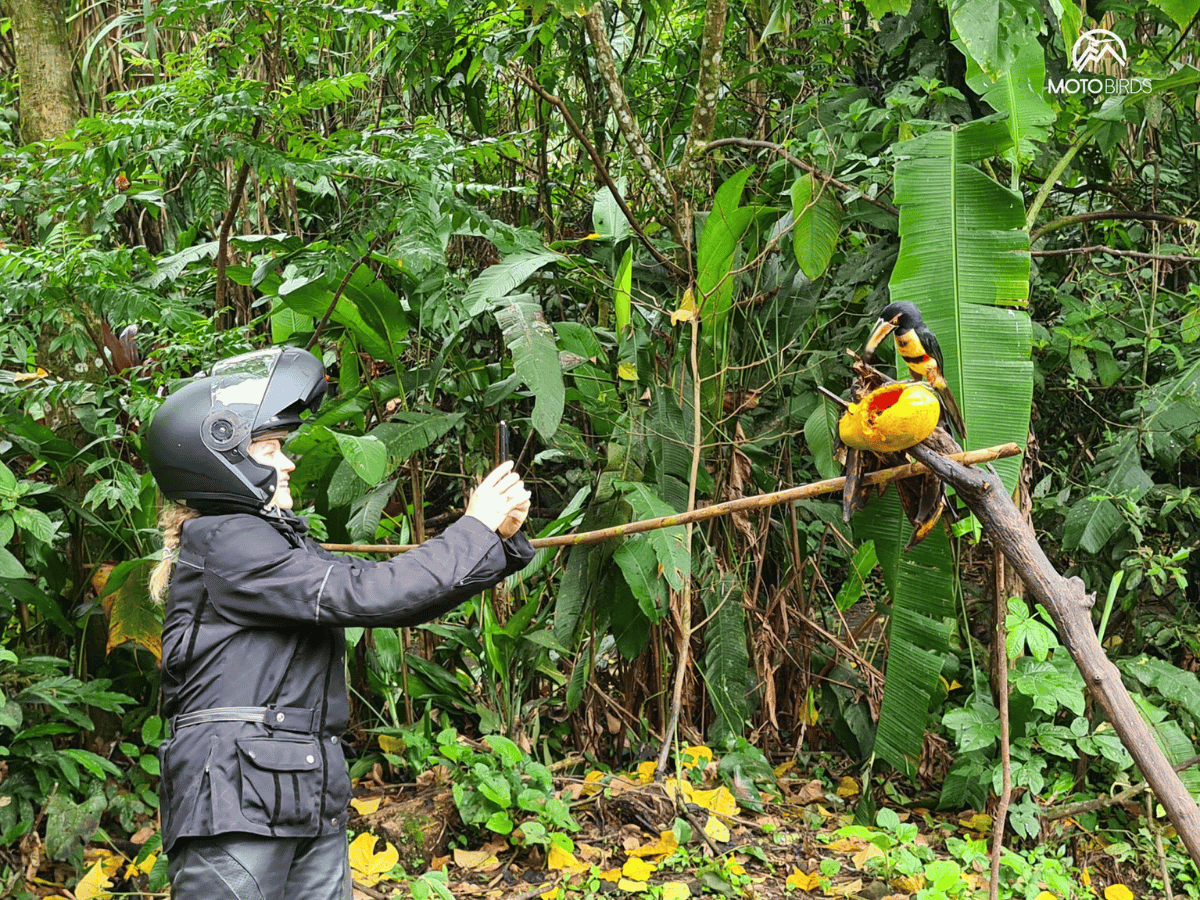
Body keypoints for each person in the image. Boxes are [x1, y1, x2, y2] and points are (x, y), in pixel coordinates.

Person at [143, 347, 534, 900]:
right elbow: (374, 593)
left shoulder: (271, 542)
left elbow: (390, 595)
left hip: (297, 789)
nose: (287, 463)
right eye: (270, 448)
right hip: (236, 797)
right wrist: (473, 525)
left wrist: (496, 537)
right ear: (222, 458)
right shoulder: (228, 541)